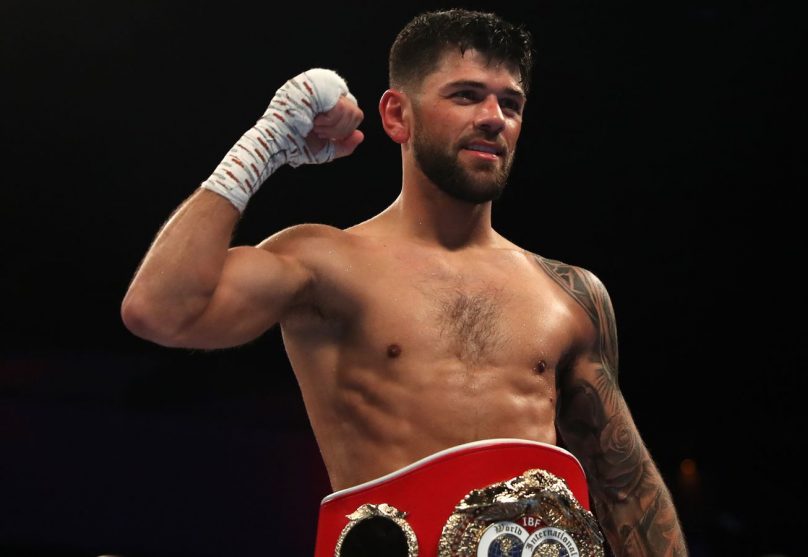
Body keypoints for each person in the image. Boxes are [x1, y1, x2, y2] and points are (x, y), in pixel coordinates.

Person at [121, 8, 685, 556]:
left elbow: (626, 487)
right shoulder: (324, 263)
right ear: (397, 116)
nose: (494, 117)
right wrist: (262, 147)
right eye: (466, 95)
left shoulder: (569, 293)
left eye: (510, 102)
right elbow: (161, 309)